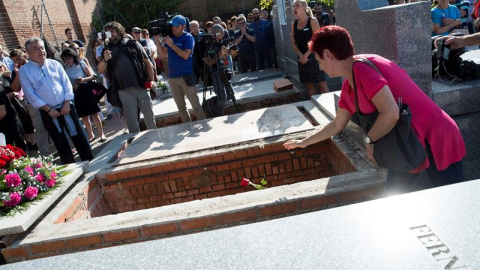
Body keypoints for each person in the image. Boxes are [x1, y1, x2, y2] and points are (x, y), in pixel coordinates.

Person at [284, 26, 466, 195]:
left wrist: (369, 141)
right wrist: (304, 142)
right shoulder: (349, 84)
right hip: (407, 142)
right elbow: (337, 124)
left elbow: (391, 113)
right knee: (393, 201)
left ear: (327, 54)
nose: (319, 66)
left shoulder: (363, 68)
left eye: (318, 59)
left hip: (436, 137)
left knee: (452, 202)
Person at [19, 37, 93, 164]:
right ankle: (70, 166)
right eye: (36, 48)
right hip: (47, 110)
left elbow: (66, 83)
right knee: (59, 140)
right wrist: (48, 109)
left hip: (66, 106)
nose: (41, 51)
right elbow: (30, 94)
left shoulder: (55, 64)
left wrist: (66, 103)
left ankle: (89, 161)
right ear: (28, 52)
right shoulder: (25, 71)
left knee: (78, 134)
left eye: (42, 48)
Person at [97, 21, 157, 134]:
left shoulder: (133, 43)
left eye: (112, 31)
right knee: (132, 122)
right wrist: (105, 59)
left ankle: (154, 138)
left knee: (150, 117)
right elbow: (100, 69)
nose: (110, 34)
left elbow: (147, 62)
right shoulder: (106, 49)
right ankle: (136, 145)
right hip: (123, 90)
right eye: (107, 32)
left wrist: (152, 80)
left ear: (119, 31)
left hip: (141, 85)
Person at [155, 15, 206, 123]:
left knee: (196, 105)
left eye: (176, 26)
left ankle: (203, 124)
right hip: (173, 78)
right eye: (172, 26)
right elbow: (162, 55)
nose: (173, 28)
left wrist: (172, 45)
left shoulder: (188, 37)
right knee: (181, 107)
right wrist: (157, 40)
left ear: (183, 26)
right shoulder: (171, 38)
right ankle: (187, 126)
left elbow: (185, 55)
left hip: (186, 76)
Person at [61, 48, 106, 143]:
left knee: (94, 113)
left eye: (70, 58)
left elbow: (93, 76)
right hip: (76, 92)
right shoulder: (64, 68)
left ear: (73, 57)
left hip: (86, 89)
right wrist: (73, 85)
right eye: (65, 59)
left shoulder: (81, 63)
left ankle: (101, 134)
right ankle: (91, 135)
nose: (68, 61)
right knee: (84, 115)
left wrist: (83, 80)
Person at [291, 0, 329, 99]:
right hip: (302, 58)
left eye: (297, 6)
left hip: (314, 55)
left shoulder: (312, 21)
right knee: (309, 85)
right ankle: (316, 106)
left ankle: (328, 105)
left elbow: (316, 39)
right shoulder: (293, 24)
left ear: (304, 7)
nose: (294, 8)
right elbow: (293, 42)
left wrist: (306, 55)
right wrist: (300, 55)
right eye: (294, 6)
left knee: (321, 83)